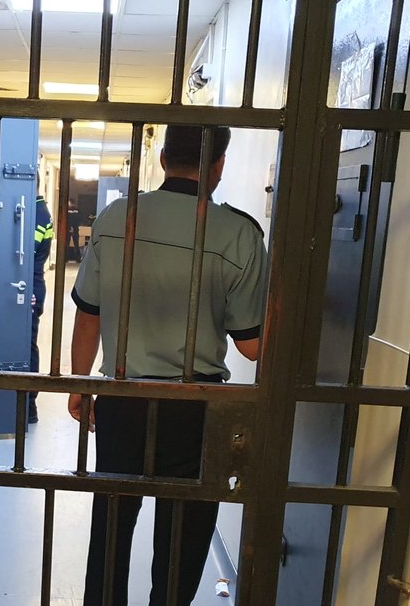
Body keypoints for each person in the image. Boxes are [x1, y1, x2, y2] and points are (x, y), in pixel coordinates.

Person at [68, 125, 267, 605]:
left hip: (123, 400)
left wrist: (79, 386)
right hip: (194, 408)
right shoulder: (239, 233)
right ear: (219, 166)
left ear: (162, 158)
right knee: (183, 537)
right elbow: (252, 347)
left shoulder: (117, 218)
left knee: (112, 526)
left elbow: (88, 315)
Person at [28, 186, 53, 424]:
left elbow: (25, 255)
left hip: (30, 286)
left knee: (27, 345)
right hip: (33, 284)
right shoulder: (38, 210)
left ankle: (29, 405)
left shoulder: (36, 213)